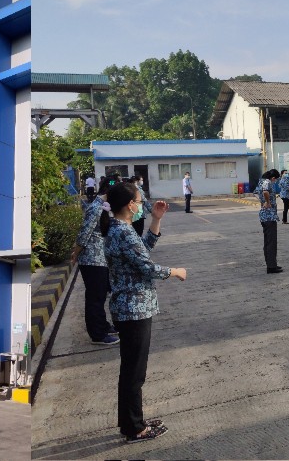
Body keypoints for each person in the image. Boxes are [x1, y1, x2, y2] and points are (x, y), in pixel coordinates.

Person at [103, 182, 187, 443]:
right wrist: (174, 271)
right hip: (133, 309)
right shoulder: (122, 232)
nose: (141, 205)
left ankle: (130, 422)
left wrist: (156, 220)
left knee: (131, 371)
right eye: (139, 202)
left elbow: (143, 251)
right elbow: (147, 267)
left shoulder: (121, 230)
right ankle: (135, 428)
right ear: (129, 205)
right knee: (134, 373)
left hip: (130, 308)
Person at [71, 180, 119, 346]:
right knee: (95, 298)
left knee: (100, 295)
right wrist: (75, 254)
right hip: (92, 260)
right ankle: (97, 334)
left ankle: (103, 325)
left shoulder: (103, 206)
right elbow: (84, 233)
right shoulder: (95, 208)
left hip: (100, 259)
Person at [258, 170, 283, 273]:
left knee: (268, 242)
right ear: (273, 178)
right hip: (269, 216)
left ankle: (272, 264)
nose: (275, 181)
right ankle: (271, 267)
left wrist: (262, 201)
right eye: (276, 179)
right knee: (271, 242)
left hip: (266, 216)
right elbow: (265, 192)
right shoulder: (267, 182)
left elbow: (257, 193)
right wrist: (267, 202)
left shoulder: (261, 181)